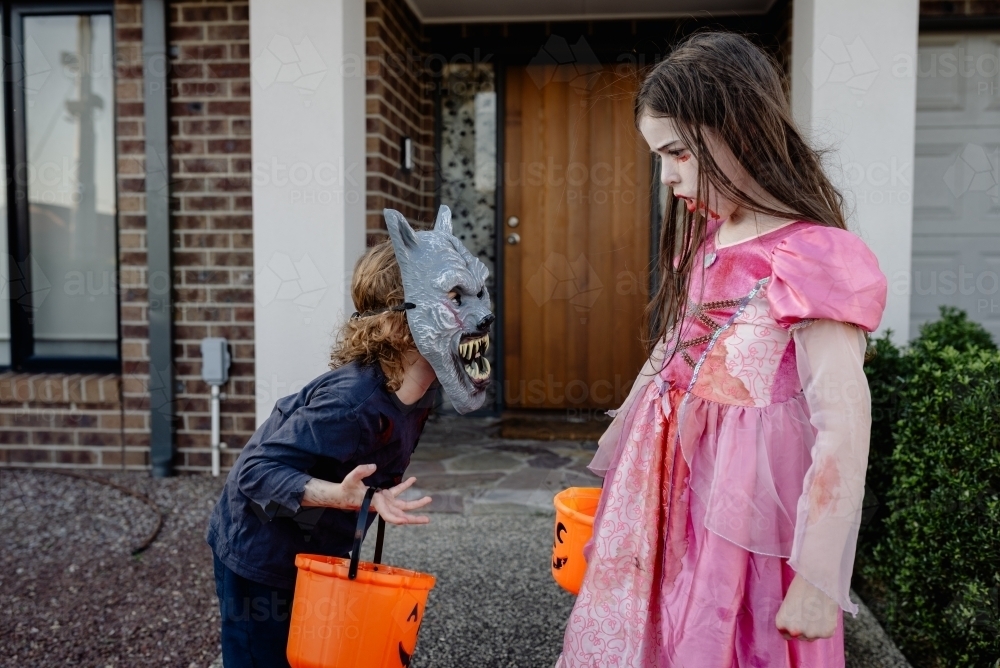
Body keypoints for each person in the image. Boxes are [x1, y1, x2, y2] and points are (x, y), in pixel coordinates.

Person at [557, 32, 888, 667]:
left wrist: (819, 577)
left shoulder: (811, 258)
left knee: (728, 638)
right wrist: (627, 478)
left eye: (678, 152)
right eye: (659, 155)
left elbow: (845, 424)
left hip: (742, 519)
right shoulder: (708, 240)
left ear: (738, 129)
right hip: (673, 499)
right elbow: (674, 355)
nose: (667, 175)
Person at [207, 206, 494, 668]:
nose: (480, 312)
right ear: (400, 322)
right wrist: (344, 497)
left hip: (318, 548)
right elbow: (255, 473)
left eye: (478, 293)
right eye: (456, 296)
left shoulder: (420, 390)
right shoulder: (351, 402)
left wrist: (366, 498)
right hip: (262, 552)